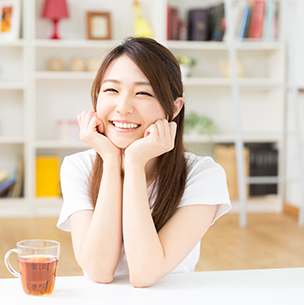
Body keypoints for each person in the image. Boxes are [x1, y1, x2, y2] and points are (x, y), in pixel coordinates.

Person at [57, 37, 231, 288]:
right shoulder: (78, 167)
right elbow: (98, 270)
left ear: (173, 108)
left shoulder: (203, 175)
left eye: (143, 93)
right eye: (111, 90)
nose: (123, 107)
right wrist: (111, 160)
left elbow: (145, 274)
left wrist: (135, 164)